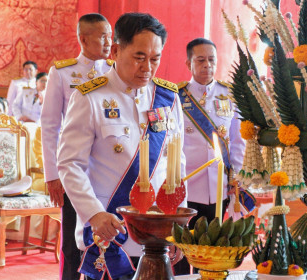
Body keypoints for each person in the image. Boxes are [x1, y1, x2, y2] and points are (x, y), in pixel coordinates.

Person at [57, 12, 186, 280]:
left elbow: (177, 164)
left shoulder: (168, 97)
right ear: (115, 50)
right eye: (139, 57)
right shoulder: (90, 97)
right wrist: (94, 214)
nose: (147, 67)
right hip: (109, 233)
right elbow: (70, 164)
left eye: (155, 59)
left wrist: (179, 226)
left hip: (157, 232)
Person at [41, 13, 113, 280]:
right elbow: (50, 126)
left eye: (110, 35)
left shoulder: (116, 71)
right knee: (73, 244)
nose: (109, 41)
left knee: (110, 240)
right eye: (102, 35)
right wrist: (53, 175)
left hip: (108, 169)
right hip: (74, 170)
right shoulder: (63, 72)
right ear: (83, 38)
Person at [173, 38, 255, 274]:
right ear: (189, 62)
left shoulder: (229, 95)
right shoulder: (176, 96)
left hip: (219, 189)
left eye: (212, 60)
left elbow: (238, 141)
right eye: (200, 60)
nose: (207, 65)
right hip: (187, 186)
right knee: (182, 251)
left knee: (212, 253)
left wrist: (236, 175)